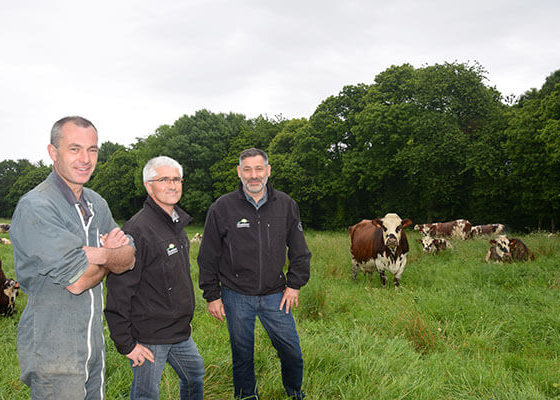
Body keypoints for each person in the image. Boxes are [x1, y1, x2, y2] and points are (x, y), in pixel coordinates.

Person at [10, 116, 136, 400]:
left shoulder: (96, 202)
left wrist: (98, 254)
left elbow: (129, 257)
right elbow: (79, 281)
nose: (86, 159)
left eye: (92, 149)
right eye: (74, 148)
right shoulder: (37, 206)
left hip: (92, 348)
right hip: (55, 352)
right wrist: (110, 256)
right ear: (53, 152)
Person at [198, 148, 311, 400]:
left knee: (291, 350)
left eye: (259, 169)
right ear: (239, 172)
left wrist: (294, 285)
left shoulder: (286, 205)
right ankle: (246, 395)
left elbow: (300, 250)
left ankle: (294, 392)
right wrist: (212, 295)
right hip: (236, 294)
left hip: (275, 294)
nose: (253, 175)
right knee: (242, 352)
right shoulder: (222, 207)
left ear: (268, 171)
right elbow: (207, 256)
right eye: (247, 169)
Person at [105, 156, 205, 400]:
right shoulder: (138, 229)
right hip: (149, 336)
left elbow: (175, 279)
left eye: (176, 179)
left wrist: (183, 320)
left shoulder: (177, 224)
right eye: (164, 179)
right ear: (149, 186)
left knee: (194, 374)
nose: (172, 185)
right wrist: (126, 343)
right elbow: (119, 289)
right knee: (146, 394)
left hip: (179, 331)